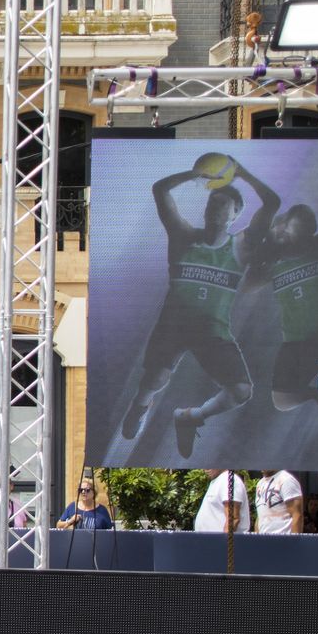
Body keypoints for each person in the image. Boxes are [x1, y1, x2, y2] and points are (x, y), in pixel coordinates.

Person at [119, 157, 279, 458]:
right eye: (211, 203)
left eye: (222, 205)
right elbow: (159, 189)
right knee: (155, 379)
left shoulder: (241, 246)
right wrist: (192, 174)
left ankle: (191, 417)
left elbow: (272, 202)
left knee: (242, 391)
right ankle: (139, 407)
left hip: (212, 330)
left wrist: (243, 173)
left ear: (235, 214)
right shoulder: (183, 236)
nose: (214, 209)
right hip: (174, 324)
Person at [251, 181, 318, 411]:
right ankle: (315, 393)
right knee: (281, 401)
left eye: (296, 228)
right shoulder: (271, 264)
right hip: (297, 342)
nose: (285, 231)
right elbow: (246, 283)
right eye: (282, 228)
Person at [194, 469, 249, 533]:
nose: (205, 468)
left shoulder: (228, 479)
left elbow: (233, 519)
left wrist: (223, 541)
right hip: (209, 540)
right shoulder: (218, 480)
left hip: (220, 541)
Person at [254, 469, 304, 535]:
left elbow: (297, 515)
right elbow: (260, 515)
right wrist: (256, 539)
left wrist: (294, 542)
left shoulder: (286, 480)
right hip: (263, 540)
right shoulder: (260, 483)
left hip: (283, 540)